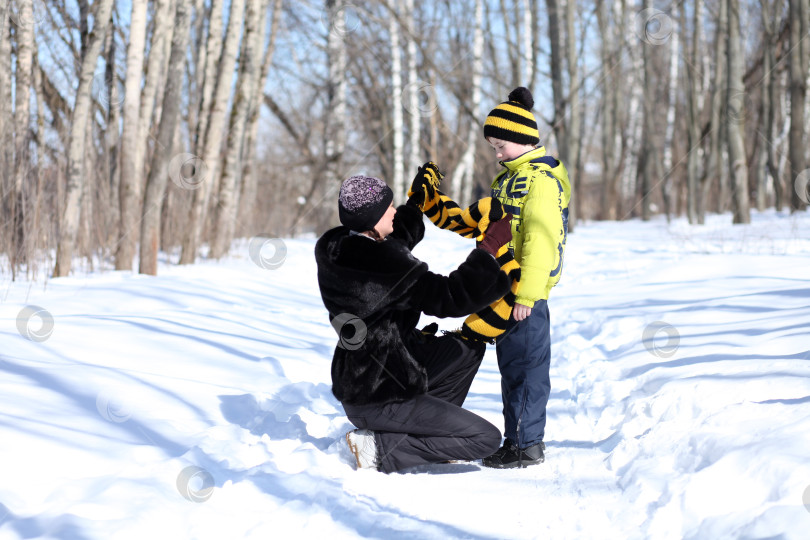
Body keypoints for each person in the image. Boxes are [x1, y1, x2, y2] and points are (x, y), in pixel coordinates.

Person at [315, 168, 515, 473]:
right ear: (372, 219)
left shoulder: (340, 246)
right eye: (388, 208)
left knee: (466, 349)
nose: (394, 212)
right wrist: (488, 250)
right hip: (379, 395)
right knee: (485, 438)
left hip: (376, 373)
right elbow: (451, 296)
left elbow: (397, 237)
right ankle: (381, 450)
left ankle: (425, 430)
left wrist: (416, 201)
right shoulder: (382, 268)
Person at [480, 87, 571, 469]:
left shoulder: (540, 180)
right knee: (511, 369)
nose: (497, 153)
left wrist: (527, 296)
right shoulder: (511, 179)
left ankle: (528, 445)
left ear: (520, 139)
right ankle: (513, 439)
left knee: (529, 372)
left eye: (500, 145)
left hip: (525, 297)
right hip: (506, 290)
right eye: (493, 147)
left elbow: (541, 241)